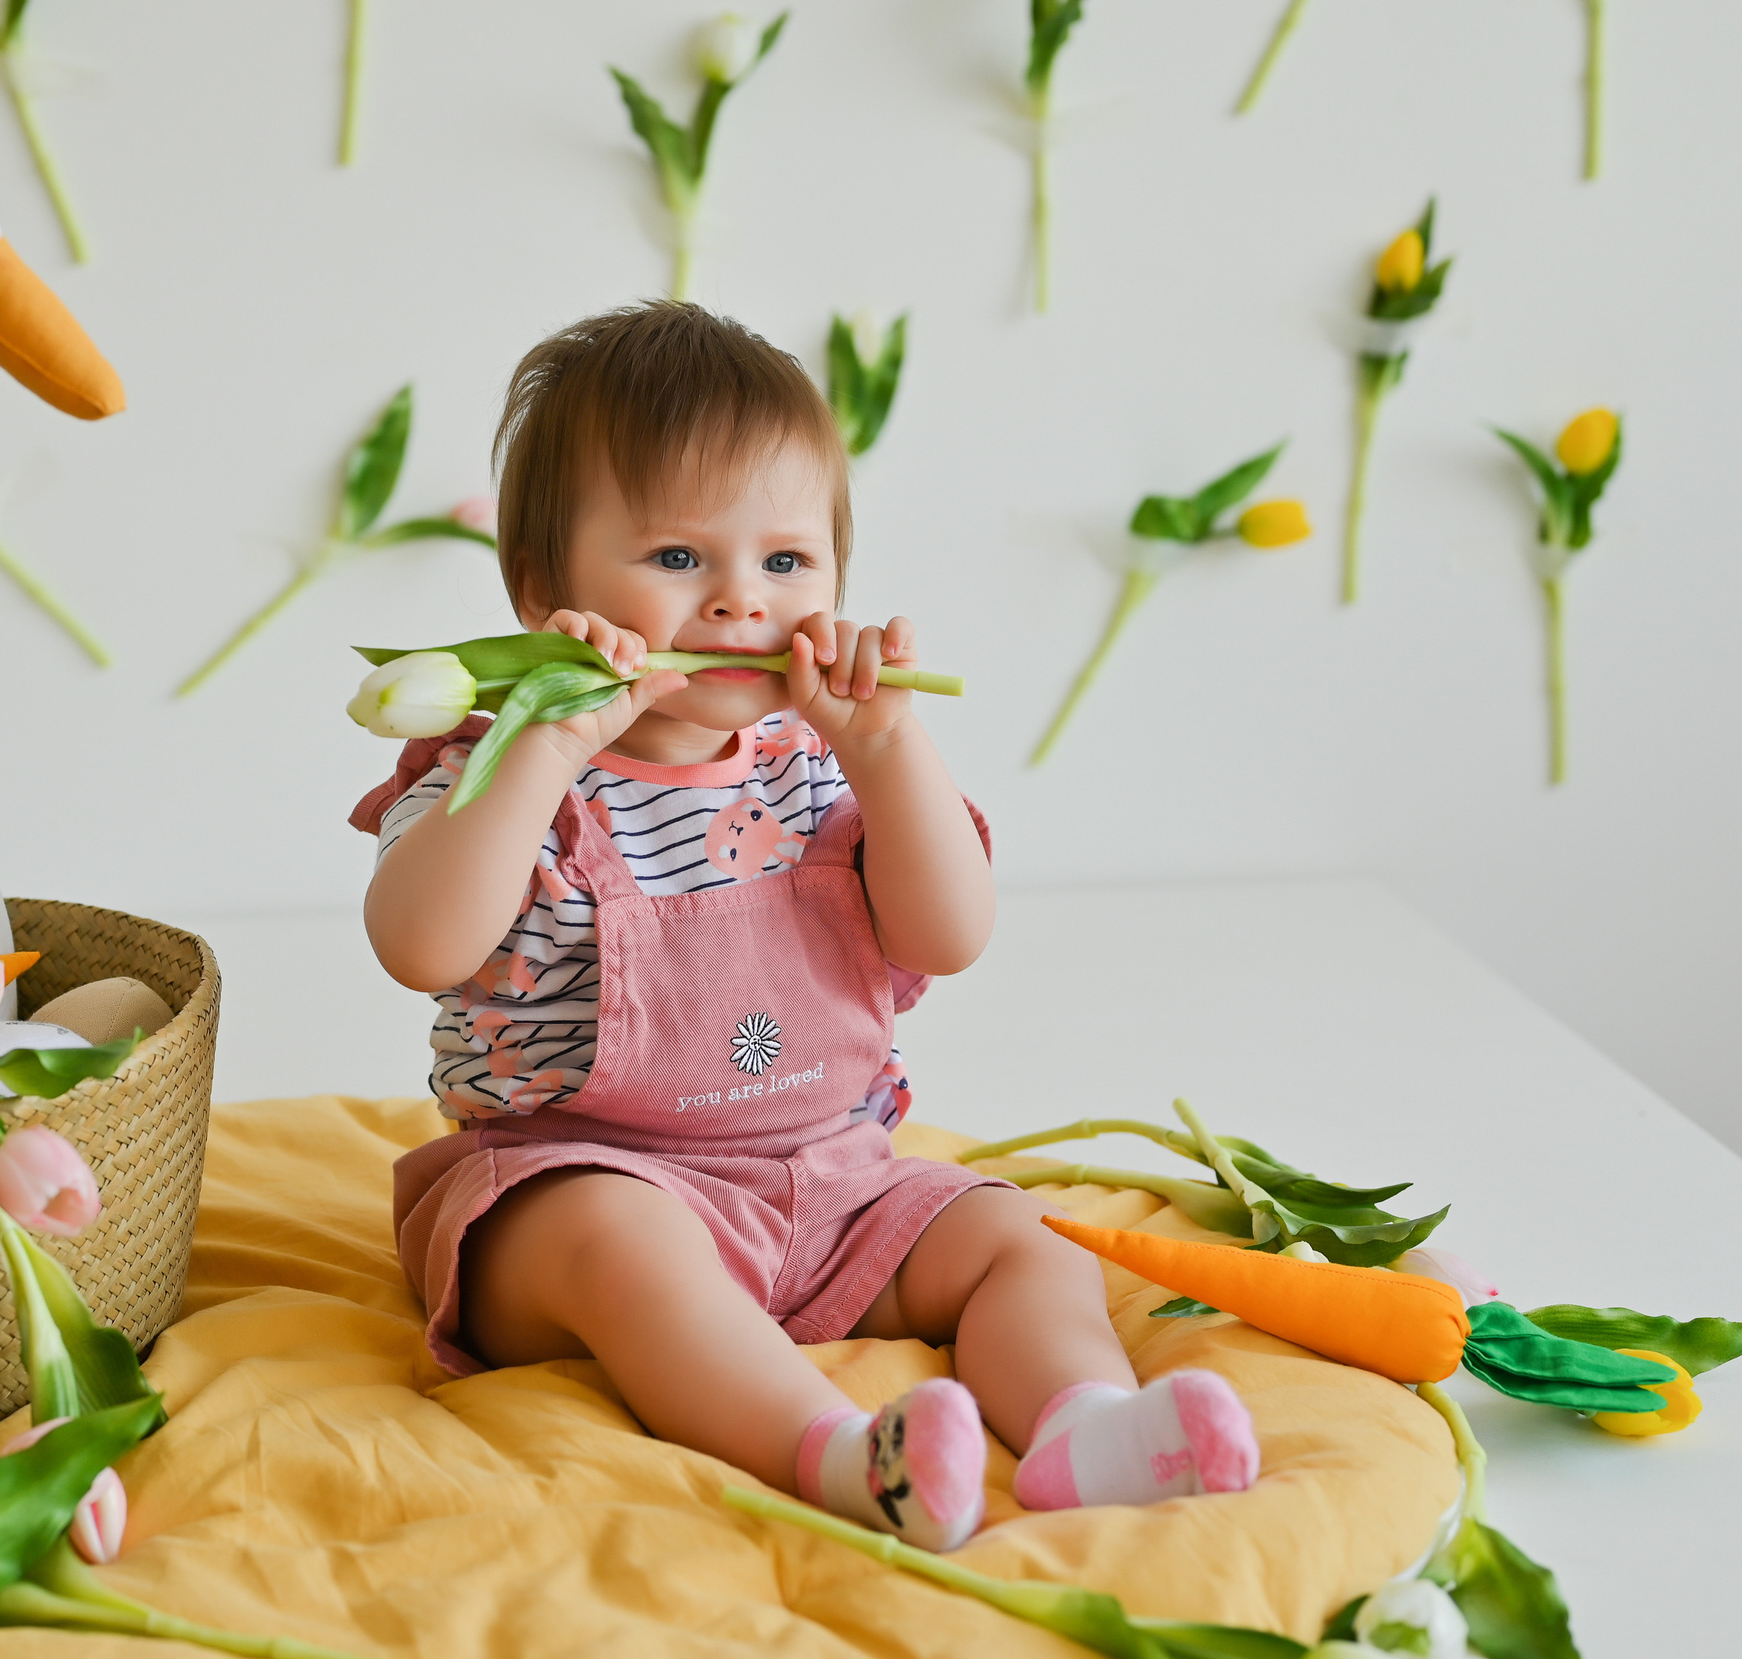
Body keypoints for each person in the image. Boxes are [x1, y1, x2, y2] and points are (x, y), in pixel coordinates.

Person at [351, 302, 1257, 1551]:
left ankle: (1082, 1426)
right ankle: (830, 1454)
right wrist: (542, 746)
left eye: (785, 563)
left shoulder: (820, 766)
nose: (739, 603)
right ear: (540, 593)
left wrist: (888, 752)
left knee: (1016, 1240)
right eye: (677, 560)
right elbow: (421, 944)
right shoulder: (502, 765)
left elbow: (945, 935)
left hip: (832, 1183)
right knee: (624, 1242)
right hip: (571, 1187)